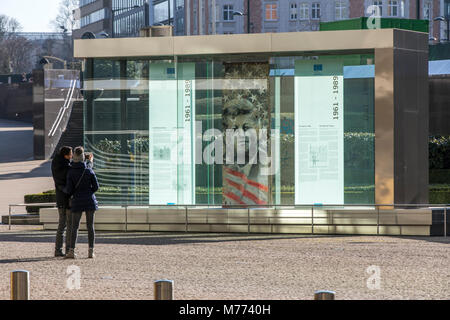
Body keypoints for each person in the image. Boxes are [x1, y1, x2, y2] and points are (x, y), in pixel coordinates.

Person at [65, 147, 99, 259]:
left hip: (77, 201)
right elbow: (96, 187)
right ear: (83, 157)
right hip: (89, 200)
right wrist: (88, 192)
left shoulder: (71, 172)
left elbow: (69, 190)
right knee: (90, 226)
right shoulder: (88, 170)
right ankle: (91, 251)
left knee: (74, 227)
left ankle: (71, 251)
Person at [51, 146, 73, 257]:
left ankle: (58, 249)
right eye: (70, 154)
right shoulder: (65, 167)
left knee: (62, 226)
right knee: (66, 225)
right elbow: (69, 173)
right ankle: (66, 249)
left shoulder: (57, 164)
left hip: (60, 199)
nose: (72, 155)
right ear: (66, 155)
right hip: (66, 199)